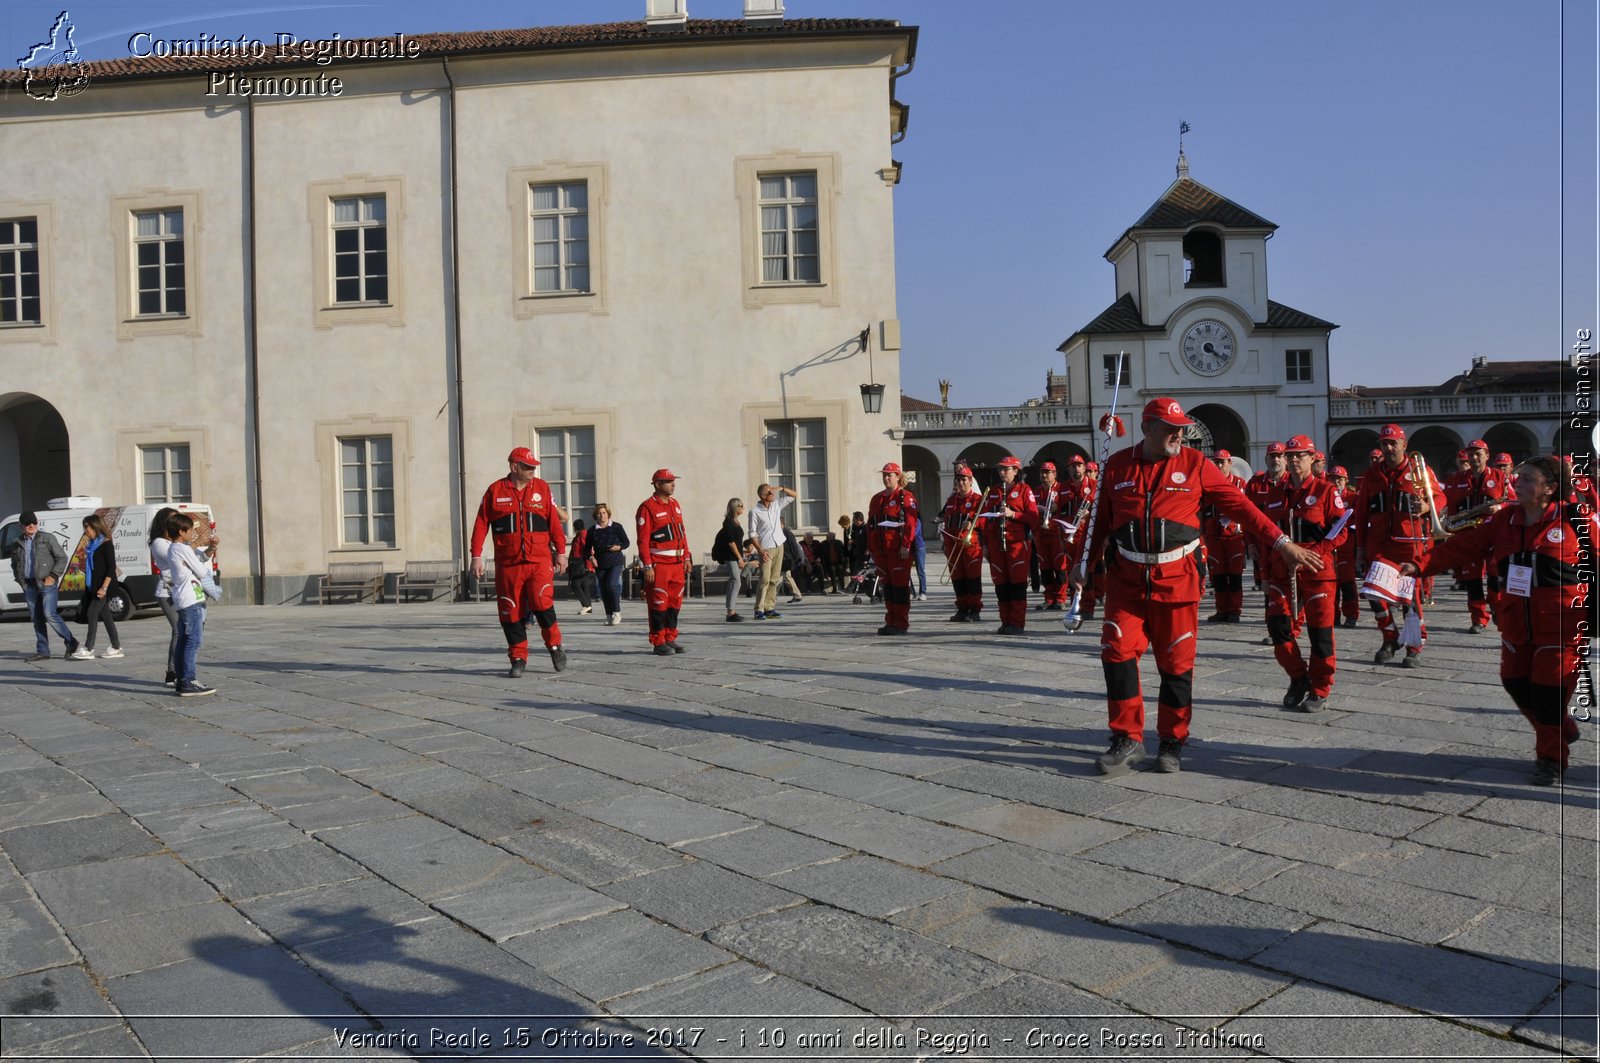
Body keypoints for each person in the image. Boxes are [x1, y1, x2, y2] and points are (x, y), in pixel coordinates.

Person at [1070, 398, 1321, 775]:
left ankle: (1171, 742)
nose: (1178, 434)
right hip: (1127, 580)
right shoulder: (1118, 466)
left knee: (1175, 662)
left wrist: (1282, 543)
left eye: (1181, 427)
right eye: (1170, 428)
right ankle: (1126, 738)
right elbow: (1100, 522)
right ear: (1146, 428)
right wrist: (1082, 562)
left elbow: (1241, 507)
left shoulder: (1196, 465)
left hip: (1177, 580)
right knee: (1117, 653)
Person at [1401, 457, 1591, 785]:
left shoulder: (1577, 520)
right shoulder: (1504, 520)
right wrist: (1420, 566)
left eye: (1528, 479)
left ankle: (1551, 759)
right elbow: (1463, 547)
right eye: (1519, 477)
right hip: (1516, 619)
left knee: (1548, 693)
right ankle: (1563, 727)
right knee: (1514, 682)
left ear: (1550, 488)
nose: (1516, 481)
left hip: (1562, 623)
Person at [1262, 436, 1349, 711]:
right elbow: (1266, 535)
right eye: (1291, 455)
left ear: (1313, 458)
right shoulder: (1276, 493)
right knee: (1278, 627)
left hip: (1317, 571)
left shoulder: (1326, 491)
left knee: (1320, 633)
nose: (1294, 459)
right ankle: (1299, 677)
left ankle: (1320, 688)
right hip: (1281, 572)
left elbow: (1341, 530)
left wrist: (1316, 552)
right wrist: (1265, 573)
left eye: (1300, 454)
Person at [1352, 423, 1445, 668]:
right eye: (1384, 443)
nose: (1389, 447)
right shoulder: (1372, 473)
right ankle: (1390, 637)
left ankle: (1414, 644)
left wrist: (1427, 506)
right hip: (1379, 544)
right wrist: (1360, 547)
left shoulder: (1419, 469)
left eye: (1393, 443)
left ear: (1404, 444)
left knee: (1408, 599)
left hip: (1409, 544)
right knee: (1374, 594)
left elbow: (1440, 497)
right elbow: (1361, 512)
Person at [470, 447, 568, 677]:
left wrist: (561, 552)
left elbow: (554, 522)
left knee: (542, 604)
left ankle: (554, 646)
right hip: (509, 563)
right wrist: (476, 556)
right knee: (509, 611)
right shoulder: (495, 491)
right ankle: (518, 658)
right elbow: (481, 524)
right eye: (527, 467)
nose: (532, 471)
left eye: (534, 467)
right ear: (514, 467)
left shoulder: (542, 489)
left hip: (539, 561)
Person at [1442, 439, 1508, 632]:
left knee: (1495, 576)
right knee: (1472, 580)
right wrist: (1451, 529)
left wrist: (1500, 507)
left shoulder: (1499, 476)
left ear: (1487, 456)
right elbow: (1452, 509)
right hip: (1469, 533)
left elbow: (1513, 501)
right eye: (1470, 454)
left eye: (1478, 454)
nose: (1474, 458)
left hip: (1494, 534)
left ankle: (1496, 607)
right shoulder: (1458, 479)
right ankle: (1478, 618)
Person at [161, 511, 221, 696]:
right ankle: (188, 680)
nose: (192, 534)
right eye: (189, 531)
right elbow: (202, 572)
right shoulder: (183, 549)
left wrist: (208, 550)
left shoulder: (174, 549)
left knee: (184, 640)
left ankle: (182, 680)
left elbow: (198, 560)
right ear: (181, 531)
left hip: (183, 598)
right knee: (193, 641)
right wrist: (200, 564)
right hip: (191, 599)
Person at [978, 455, 1039, 634]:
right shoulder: (994, 491)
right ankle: (1005, 620)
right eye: (1000, 469)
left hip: (1017, 545)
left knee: (1017, 585)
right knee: (1001, 585)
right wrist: (985, 545)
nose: (1002, 472)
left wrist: (1014, 515)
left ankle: (1017, 622)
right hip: (997, 544)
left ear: (1016, 471)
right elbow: (986, 521)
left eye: (1006, 469)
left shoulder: (1024, 490)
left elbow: (1034, 518)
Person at [9, 510, 79, 661]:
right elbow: (15, 564)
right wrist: (21, 581)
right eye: (28, 524)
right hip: (29, 585)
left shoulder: (47, 538)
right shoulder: (17, 543)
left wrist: (53, 576)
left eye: (34, 522)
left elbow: (62, 558)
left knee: (50, 614)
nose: (31, 525)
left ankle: (71, 641)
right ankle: (43, 650)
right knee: (36, 618)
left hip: (47, 583)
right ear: (21, 525)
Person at [636, 468, 689, 655]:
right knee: (658, 603)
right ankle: (658, 641)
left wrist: (687, 556)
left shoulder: (675, 504)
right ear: (658, 484)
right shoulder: (647, 507)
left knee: (674, 603)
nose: (673, 484)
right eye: (669, 481)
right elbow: (642, 541)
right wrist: (647, 566)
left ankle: (670, 637)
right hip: (659, 565)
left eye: (674, 481)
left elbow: (682, 533)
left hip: (677, 564)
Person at [866, 461, 919, 635]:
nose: (886, 478)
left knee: (900, 587)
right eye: (884, 475)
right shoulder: (877, 499)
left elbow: (911, 524)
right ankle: (890, 620)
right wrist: (871, 548)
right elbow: (871, 525)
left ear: (898, 476)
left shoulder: (906, 497)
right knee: (887, 587)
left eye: (890, 475)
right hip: (881, 550)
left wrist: (906, 545)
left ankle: (901, 622)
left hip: (898, 550)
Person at [1202, 449, 1247, 623]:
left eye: (1222, 462)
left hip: (1233, 536)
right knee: (1217, 576)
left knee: (1235, 575)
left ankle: (1235, 610)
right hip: (1214, 536)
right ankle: (1221, 610)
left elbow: (1246, 508)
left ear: (1230, 463)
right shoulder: (1207, 484)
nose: (1219, 465)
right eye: (1216, 462)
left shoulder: (1239, 483)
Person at [71, 514, 124, 661]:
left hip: (104, 587)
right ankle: (116, 646)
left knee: (92, 613)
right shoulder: (91, 546)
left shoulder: (106, 544)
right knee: (106, 616)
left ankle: (88, 648)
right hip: (93, 586)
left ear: (96, 526)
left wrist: (104, 588)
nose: (85, 530)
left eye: (87, 526)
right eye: (84, 527)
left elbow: (110, 567)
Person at [939, 464, 985, 622]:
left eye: (963, 479)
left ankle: (975, 609)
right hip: (953, 543)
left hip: (970, 546)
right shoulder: (951, 500)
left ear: (970, 481)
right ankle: (962, 608)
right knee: (957, 579)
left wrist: (973, 523)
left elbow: (984, 519)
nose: (960, 482)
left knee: (972, 578)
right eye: (958, 479)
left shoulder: (978, 500)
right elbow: (946, 520)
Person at [1058, 455, 1099, 622]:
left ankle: (1088, 607)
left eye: (1079, 466)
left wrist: (1089, 514)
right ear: (1069, 469)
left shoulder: (1094, 485)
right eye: (1073, 466)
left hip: (1086, 535)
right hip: (1069, 536)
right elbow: (1059, 511)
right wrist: (1061, 538)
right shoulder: (1063, 488)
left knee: (1085, 572)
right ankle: (1076, 604)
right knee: (1071, 573)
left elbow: (1101, 507)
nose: (1077, 469)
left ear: (1084, 467)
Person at [748, 483, 797, 620]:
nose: (773, 493)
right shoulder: (755, 511)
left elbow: (794, 495)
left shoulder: (776, 505)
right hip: (766, 548)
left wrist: (781, 488)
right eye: (770, 492)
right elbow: (752, 534)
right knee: (764, 579)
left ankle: (769, 607)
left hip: (779, 545)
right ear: (763, 496)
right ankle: (759, 609)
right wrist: (760, 551)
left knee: (774, 579)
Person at [1244, 442, 1286, 591]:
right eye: (1272, 456)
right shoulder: (1254, 485)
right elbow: (1247, 517)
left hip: (1287, 544)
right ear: (1266, 459)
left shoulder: (1292, 482)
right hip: (1262, 543)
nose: (1275, 460)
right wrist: (1250, 544)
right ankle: (1271, 613)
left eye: (1279, 456)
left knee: (1289, 583)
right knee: (1268, 587)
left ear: (1285, 459)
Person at [1032, 462, 1071, 611]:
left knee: (1060, 567)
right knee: (1045, 567)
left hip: (1056, 534)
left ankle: (1060, 599)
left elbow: (1063, 508)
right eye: (1042, 472)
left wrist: (1051, 508)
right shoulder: (1036, 491)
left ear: (1055, 474)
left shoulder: (1061, 489)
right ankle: (1048, 598)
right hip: (1041, 534)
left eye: (1048, 472)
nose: (1044, 475)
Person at [1329, 467, 1363, 628]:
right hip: (1330, 546)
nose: (1336, 482)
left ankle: (1351, 615)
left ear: (1345, 481)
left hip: (1347, 545)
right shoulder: (1326, 496)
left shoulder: (1353, 497)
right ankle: (1333, 615)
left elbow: (1359, 518)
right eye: (1333, 479)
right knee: (1331, 583)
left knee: (1348, 583)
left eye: (1339, 479)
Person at [586, 503, 630, 626]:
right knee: (604, 590)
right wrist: (591, 558)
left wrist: (619, 547)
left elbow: (626, 542)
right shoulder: (592, 530)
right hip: (600, 562)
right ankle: (609, 615)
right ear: (596, 515)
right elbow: (586, 549)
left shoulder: (616, 527)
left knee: (611, 585)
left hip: (615, 560)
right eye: (599, 513)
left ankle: (617, 612)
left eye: (604, 513)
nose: (602, 515)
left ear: (608, 514)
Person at [712, 498, 749, 622]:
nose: (743, 507)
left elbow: (737, 542)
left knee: (734, 582)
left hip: (736, 556)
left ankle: (730, 611)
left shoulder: (736, 521)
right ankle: (730, 612)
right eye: (741, 505)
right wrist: (739, 558)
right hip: (731, 557)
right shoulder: (728, 522)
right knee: (736, 581)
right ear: (735, 507)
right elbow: (731, 543)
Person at [566, 518, 596, 616]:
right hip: (579, 563)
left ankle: (586, 605)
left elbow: (587, 549)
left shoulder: (582, 534)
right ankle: (588, 607)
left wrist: (588, 565)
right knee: (584, 585)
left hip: (581, 563)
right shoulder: (581, 534)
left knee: (576, 584)